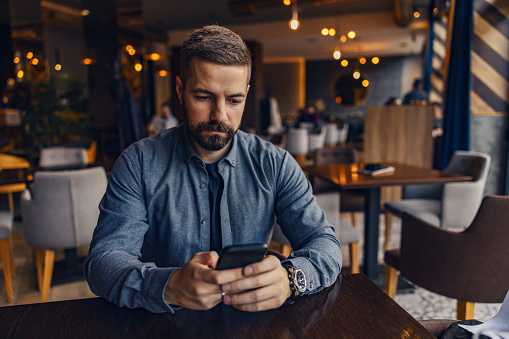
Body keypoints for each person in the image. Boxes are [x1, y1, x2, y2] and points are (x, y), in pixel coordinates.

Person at [85, 25, 341, 314]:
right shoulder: (138, 163)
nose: (220, 115)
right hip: (164, 326)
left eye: (234, 100)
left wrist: (291, 278)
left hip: (252, 325)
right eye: (204, 97)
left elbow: (325, 243)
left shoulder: (275, 163)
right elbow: (103, 262)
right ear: (180, 91)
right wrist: (168, 286)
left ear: (246, 94)